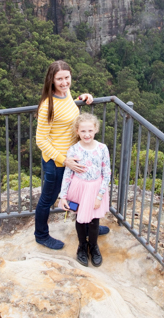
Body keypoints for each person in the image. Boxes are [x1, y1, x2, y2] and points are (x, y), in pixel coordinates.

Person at [34, 60, 109, 249]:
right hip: (57, 162)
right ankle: (41, 235)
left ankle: (89, 223)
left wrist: (84, 97)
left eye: (67, 78)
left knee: (78, 193)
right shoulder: (47, 105)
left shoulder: (65, 94)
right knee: (48, 200)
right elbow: (41, 140)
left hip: (73, 157)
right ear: (51, 80)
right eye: (59, 79)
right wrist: (64, 160)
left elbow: (69, 113)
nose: (64, 82)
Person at [58, 113, 110, 267]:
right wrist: (63, 195)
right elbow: (68, 173)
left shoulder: (102, 148)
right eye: (83, 131)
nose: (87, 135)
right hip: (78, 188)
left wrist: (100, 196)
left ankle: (93, 246)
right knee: (80, 219)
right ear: (77, 132)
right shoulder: (73, 149)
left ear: (95, 130)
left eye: (90, 131)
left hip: (95, 190)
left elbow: (106, 173)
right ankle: (82, 246)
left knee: (94, 220)